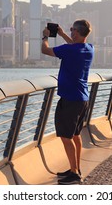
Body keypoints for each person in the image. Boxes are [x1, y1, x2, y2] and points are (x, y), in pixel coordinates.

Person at [41, 19, 94, 185]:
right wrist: (63, 33)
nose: (71, 32)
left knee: (65, 136)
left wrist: (44, 37)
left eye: (72, 30)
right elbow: (74, 45)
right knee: (76, 135)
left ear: (76, 33)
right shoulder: (89, 49)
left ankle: (74, 174)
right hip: (82, 98)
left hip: (70, 100)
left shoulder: (68, 50)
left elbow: (46, 50)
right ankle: (75, 169)